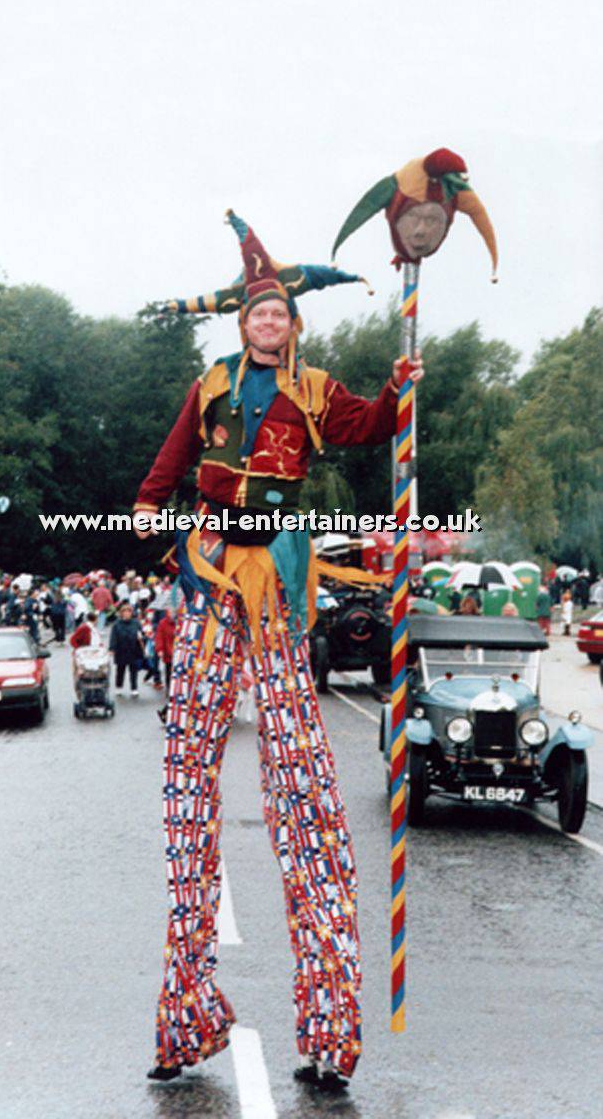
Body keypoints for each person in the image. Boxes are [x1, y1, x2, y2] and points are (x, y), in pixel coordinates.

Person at [133, 211, 424, 1092]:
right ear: (243, 323)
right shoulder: (213, 382)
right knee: (188, 778)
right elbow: (170, 462)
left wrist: (399, 385)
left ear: (293, 325)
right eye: (258, 315)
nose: (269, 324)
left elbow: (372, 427)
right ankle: (186, 1020)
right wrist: (151, 515)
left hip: (281, 577)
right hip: (213, 572)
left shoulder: (313, 388)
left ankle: (329, 1037)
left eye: (280, 317)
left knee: (302, 787)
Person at [109, 603, 145, 698]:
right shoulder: (117, 624)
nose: (126, 613)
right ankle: (119, 687)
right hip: (121, 650)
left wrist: (141, 637)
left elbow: (142, 633)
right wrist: (112, 648)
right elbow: (113, 637)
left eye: (128, 612)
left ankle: (134, 688)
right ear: (121, 613)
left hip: (134, 649)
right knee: (120, 670)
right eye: (124, 612)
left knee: (133, 671)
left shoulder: (136, 623)